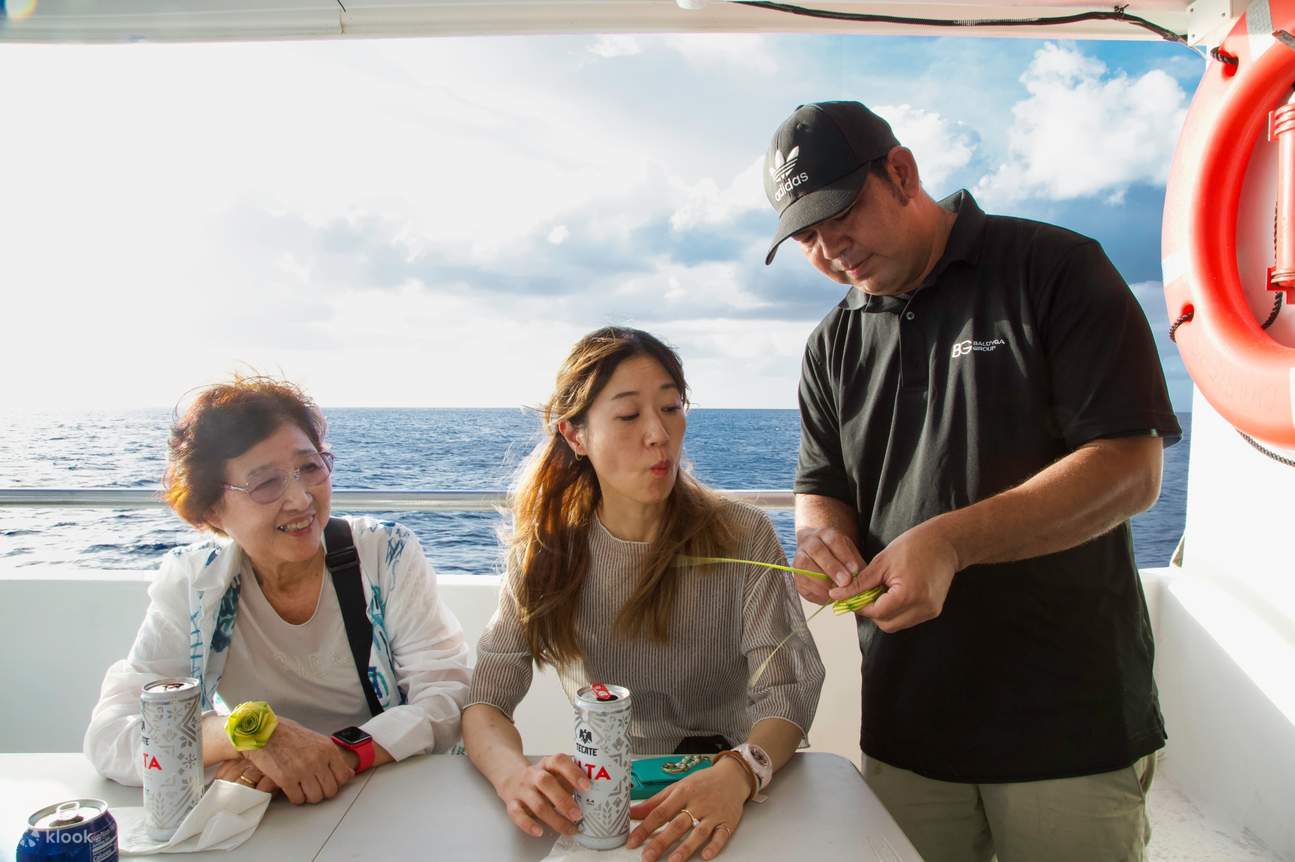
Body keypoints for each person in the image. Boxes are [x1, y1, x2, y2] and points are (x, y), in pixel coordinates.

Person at [761, 101, 1181, 862]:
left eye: (840, 213)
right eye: (806, 235)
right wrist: (821, 542)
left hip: (1068, 726)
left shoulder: (1053, 268)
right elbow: (821, 483)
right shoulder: (831, 343)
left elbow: (1130, 469)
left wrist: (950, 543)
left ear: (901, 172)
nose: (830, 248)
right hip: (908, 728)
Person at [463, 327, 824, 862]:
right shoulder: (547, 548)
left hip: (733, 791)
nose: (659, 434)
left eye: (672, 408)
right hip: (607, 805)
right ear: (575, 434)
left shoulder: (743, 533)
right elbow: (486, 700)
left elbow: (788, 692)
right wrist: (515, 777)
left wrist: (741, 773)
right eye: (629, 416)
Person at [84, 376, 471, 804]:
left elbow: (447, 697)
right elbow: (111, 736)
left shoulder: (385, 554)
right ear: (212, 506)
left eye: (310, 467)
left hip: (385, 793)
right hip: (267, 806)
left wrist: (335, 755)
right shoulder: (193, 583)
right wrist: (248, 733)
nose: (301, 499)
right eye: (266, 483)